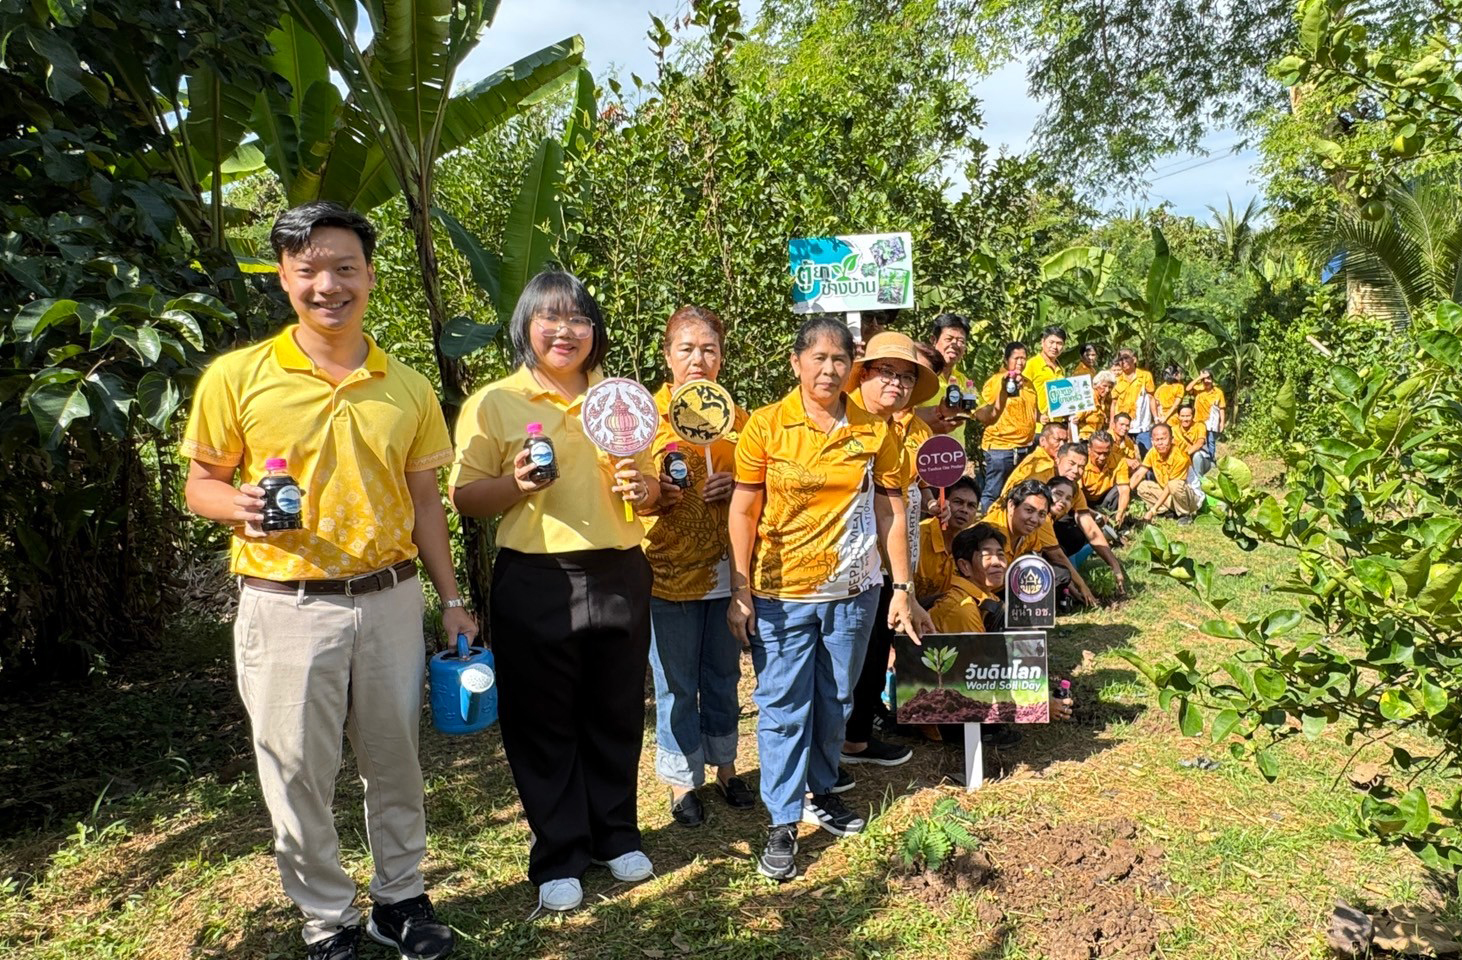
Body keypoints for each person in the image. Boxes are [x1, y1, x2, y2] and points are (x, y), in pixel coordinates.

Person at [180, 202, 469, 960]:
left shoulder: (403, 387)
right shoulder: (238, 378)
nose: (328, 284)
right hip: (285, 606)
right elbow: (200, 483)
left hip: (391, 597)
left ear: (370, 276)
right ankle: (326, 920)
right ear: (284, 278)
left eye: (344, 267)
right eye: (309, 269)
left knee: (394, 761)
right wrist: (235, 504)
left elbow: (425, 505)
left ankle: (400, 900)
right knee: (299, 773)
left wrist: (452, 599)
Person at [449, 270, 660, 914]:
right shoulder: (496, 402)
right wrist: (516, 483)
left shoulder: (624, 398)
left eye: (579, 319)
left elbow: (655, 491)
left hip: (621, 568)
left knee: (617, 708)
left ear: (594, 332)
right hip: (536, 577)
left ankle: (615, 834)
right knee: (542, 720)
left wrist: (645, 489)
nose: (565, 330)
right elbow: (465, 496)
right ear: (526, 328)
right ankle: (559, 852)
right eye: (550, 318)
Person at [728, 317, 934, 883]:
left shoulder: (875, 431)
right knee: (783, 705)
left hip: (855, 593)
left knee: (836, 698)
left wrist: (901, 586)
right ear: (796, 362)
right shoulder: (767, 427)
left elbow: (892, 510)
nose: (828, 368)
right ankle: (782, 820)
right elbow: (743, 510)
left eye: (839, 360)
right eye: (817, 358)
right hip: (780, 592)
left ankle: (822, 787)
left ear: (851, 368)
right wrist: (740, 588)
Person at [640, 306, 753, 829]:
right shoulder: (644, 421)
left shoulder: (740, 422)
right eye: (686, 349)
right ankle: (683, 780)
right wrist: (663, 494)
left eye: (708, 349)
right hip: (666, 574)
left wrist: (735, 491)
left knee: (724, 674)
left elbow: (763, 493)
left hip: (726, 574)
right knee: (678, 683)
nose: (698, 360)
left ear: (722, 358)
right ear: (667, 356)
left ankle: (728, 766)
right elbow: (626, 497)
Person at [841, 331, 940, 771]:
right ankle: (827, 753)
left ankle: (857, 738)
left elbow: (895, 508)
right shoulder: (841, 418)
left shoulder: (906, 432)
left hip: (885, 560)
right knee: (842, 659)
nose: (896, 384)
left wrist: (904, 583)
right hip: (837, 564)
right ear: (863, 373)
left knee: (876, 647)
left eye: (905, 377)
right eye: (887, 372)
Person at [928, 524, 1075, 724]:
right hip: (946, 715)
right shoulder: (962, 608)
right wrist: (1038, 704)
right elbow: (979, 676)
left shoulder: (986, 598)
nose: (998, 563)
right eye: (987, 556)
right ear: (965, 566)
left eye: (1001, 555)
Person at [1000, 439, 1129, 597]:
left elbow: (1089, 526)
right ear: (1057, 459)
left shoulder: (1072, 486)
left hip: (1033, 541)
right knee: (1058, 575)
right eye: (1071, 463)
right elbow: (1055, 553)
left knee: (1075, 535)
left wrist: (1115, 565)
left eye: (1081, 467)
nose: (1076, 470)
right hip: (1006, 542)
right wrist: (1082, 586)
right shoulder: (1040, 483)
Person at [982, 479, 1097, 607]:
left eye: (1041, 514)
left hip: (1004, 584)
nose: (1034, 519)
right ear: (1011, 506)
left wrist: (1071, 589)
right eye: (1029, 510)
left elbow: (1042, 559)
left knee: (1059, 574)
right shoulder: (991, 533)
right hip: (981, 592)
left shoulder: (1034, 529)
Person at [974, 341, 1040, 512]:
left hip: (1025, 447)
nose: (1020, 362)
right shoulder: (997, 381)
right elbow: (985, 410)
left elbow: (1034, 411)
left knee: (1017, 492)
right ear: (1006, 359)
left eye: (1024, 358)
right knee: (993, 491)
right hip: (1000, 448)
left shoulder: (1028, 384)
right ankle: (986, 524)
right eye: (1016, 358)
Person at [914, 475, 982, 603]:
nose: (964, 510)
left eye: (971, 506)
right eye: (958, 502)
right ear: (943, 501)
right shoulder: (917, 536)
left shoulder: (974, 547)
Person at [1131, 423, 1200, 524]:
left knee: (1174, 484)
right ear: (1152, 441)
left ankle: (1184, 514)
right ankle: (1168, 511)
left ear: (1172, 439)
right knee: (1142, 486)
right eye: (1157, 440)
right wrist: (1126, 494)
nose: (1160, 443)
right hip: (1169, 494)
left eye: (1163, 439)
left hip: (1190, 498)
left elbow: (1170, 486)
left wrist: (1152, 510)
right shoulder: (1153, 452)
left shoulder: (1180, 457)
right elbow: (1139, 474)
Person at [1082, 430, 1133, 528]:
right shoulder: (1081, 461)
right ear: (1089, 449)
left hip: (1105, 500)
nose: (1102, 457)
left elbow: (1124, 490)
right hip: (1084, 502)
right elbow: (1076, 495)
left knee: (1118, 491)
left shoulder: (1119, 461)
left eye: (1106, 453)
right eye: (1098, 453)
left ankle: (1113, 522)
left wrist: (1120, 512)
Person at [1111, 348, 1156, 455]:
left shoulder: (1145, 376)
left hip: (1142, 426)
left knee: (1147, 456)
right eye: (1120, 359)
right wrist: (1112, 423)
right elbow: (1114, 403)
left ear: (1134, 360)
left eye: (1126, 358)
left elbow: (1151, 398)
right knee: (1122, 456)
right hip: (1122, 427)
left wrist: (1156, 417)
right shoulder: (1116, 379)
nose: (1123, 362)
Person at [1023, 325, 1067, 422]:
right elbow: (1021, 396)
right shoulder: (1031, 365)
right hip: (1037, 427)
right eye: (1051, 342)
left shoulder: (1060, 369)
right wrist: (1037, 416)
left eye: (1059, 343)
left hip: (1056, 426)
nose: (1055, 347)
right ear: (1042, 343)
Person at [1187, 368, 1227, 463]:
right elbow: (1188, 389)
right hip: (1198, 420)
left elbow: (1222, 408)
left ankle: (1211, 460)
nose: (1206, 381)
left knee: (1211, 441)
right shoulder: (1198, 389)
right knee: (1197, 441)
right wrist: (1199, 377)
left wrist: (1222, 422)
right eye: (1204, 379)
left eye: (1208, 378)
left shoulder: (1218, 392)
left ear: (1212, 380)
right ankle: (1196, 459)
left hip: (1211, 421)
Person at [1077, 369, 1115, 439]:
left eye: (1110, 387)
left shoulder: (1104, 401)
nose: (1107, 390)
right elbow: (1075, 419)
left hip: (1096, 438)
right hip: (1084, 439)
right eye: (1104, 386)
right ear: (1095, 385)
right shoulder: (1088, 399)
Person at [1175, 404, 1210, 475]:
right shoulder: (1174, 429)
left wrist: (1185, 455)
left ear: (1193, 416)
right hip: (1182, 460)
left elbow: (1200, 443)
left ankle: (1200, 481)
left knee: (1196, 456)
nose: (1185, 419)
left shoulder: (1200, 426)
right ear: (1178, 416)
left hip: (1200, 458)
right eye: (1182, 416)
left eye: (1188, 416)